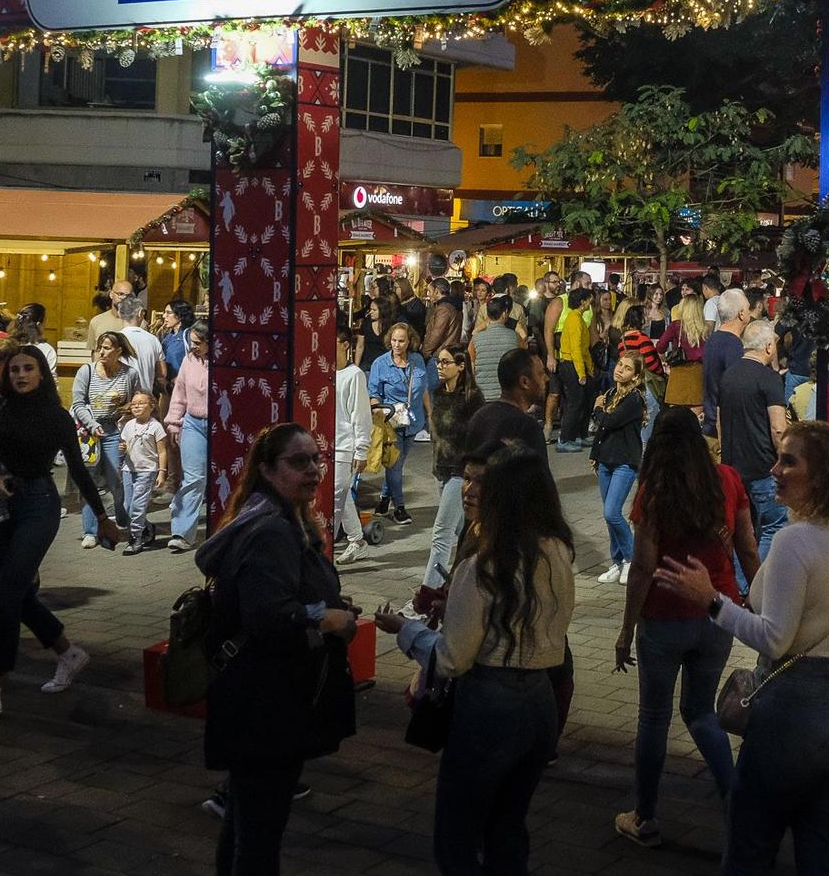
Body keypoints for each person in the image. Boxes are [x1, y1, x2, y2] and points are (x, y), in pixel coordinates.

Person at [653, 421, 829, 875]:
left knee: (750, 846)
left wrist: (710, 600)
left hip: (798, 708)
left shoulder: (797, 541)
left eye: (789, 461)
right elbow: (761, 596)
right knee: (823, 846)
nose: (774, 469)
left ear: (819, 476)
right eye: (778, 457)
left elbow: (775, 637)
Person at [377, 451, 576, 875]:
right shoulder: (557, 552)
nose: (471, 491)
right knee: (508, 828)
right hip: (541, 700)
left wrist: (406, 632)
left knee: (458, 835)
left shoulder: (483, 566)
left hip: (489, 704)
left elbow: (452, 658)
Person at [197, 423, 357, 875]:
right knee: (260, 835)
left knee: (247, 824)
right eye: (298, 462)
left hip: (260, 698)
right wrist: (329, 619)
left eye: (315, 459)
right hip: (264, 702)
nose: (313, 470)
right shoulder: (271, 529)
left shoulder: (278, 516)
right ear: (267, 469)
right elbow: (270, 618)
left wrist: (326, 604)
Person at [612, 406, 759, 848]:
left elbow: (641, 567)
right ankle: (736, 801)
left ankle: (646, 817)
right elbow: (748, 549)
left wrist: (626, 630)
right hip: (718, 613)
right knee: (700, 711)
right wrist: (760, 600)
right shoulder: (728, 480)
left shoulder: (655, 492)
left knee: (654, 717)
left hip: (664, 616)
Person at [0, 346, 119, 728]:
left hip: (40, 505)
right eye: (14, 370)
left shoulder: (57, 417)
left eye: (28, 368)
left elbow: (78, 469)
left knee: (6, 600)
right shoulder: (0, 409)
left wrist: (104, 518)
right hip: (3, 503)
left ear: (42, 373)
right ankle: (67, 652)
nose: (21, 375)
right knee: (19, 593)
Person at [720, 318, 790, 556]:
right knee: (774, 526)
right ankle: (758, 584)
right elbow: (778, 428)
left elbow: (720, 422)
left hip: (733, 468)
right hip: (763, 468)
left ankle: (740, 586)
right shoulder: (769, 378)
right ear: (769, 347)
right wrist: (784, 461)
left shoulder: (728, 376)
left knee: (742, 532)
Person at [423, 344, 484, 587]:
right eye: (439, 362)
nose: (440, 366)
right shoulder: (438, 394)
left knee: (441, 534)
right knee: (463, 534)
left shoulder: (472, 398)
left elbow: (479, 436)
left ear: (461, 366)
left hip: (460, 473)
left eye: (446, 362)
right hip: (441, 471)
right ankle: (466, 584)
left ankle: (427, 594)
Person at [70, 331, 137, 550]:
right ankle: (90, 531)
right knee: (90, 480)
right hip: (89, 432)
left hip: (114, 430)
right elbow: (78, 403)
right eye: (100, 346)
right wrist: (91, 424)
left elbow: (136, 402)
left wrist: (126, 412)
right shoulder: (86, 371)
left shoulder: (129, 374)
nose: (101, 351)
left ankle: (121, 519)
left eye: (107, 347)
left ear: (119, 351)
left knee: (115, 479)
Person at [590, 351, 648, 584]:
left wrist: (597, 409)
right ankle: (618, 561)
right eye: (619, 365)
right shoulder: (611, 393)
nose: (619, 370)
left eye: (626, 368)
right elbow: (601, 431)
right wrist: (595, 455)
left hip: (624, 461)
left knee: (612, 512)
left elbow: (608, 421)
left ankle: (632, 559)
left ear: (636, 376)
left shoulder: (634, 399)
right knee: (608, 516)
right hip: (606, 460)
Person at [368, 322, 428, 525]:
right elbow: (373, 393)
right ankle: (399, 507)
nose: (397, 344)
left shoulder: (418, 360)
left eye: (401, 341)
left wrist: (431, 416)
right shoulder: (380, 364)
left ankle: (384, 499)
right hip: (391, 423)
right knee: (394, 465)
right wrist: (378, 410)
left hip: (413, 421)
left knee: (398, 463)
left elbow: (425, 390)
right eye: (394, 340)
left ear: (409, 341)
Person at [166, 321, 212, 552]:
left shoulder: (222, 362)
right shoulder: (188, 360)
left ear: (208, 342)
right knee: (193, 478)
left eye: (197, 343)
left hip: (219, 426)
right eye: (192, 342)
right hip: (193, 423)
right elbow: (179, 393)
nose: (192, 346)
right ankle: (182, 532)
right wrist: (174, 422)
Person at [333, 330, 374, 563]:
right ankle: (357, 540)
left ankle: (324, 547)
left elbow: (361, 415)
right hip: (326, 444)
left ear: (345, 344)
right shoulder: (324, 372)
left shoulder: (354, 375)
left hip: (345, 446)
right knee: (342, 495)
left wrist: (361, 449)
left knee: (335, 498)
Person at [467, 347, 550, 458]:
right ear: (524, 382)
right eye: (540, 374)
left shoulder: (479, 417)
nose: (546, 378)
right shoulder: (527, 428)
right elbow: (538, 474)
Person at [119, 391, 169, 554]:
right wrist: (122, 448)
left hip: (147, 471)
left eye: (141, 403)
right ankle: (148, 528)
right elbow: (125, 445)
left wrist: (161, 472)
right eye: (134, 403)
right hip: (129, 470)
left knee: (137, 506)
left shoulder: (156, 427)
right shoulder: (128, 425)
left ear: (152, 406)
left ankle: (135, 538)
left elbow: (162, 451)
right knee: (127, 506)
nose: (136, 406)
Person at [550, 284, 597, 451]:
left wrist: (588, 368)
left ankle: (579, 434)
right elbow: (576, 349)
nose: (590, 304)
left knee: (585, 400)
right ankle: (565, 439)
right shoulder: (574, 320)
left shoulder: (576, 318)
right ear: (583, 302)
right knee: (575, 402)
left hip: (576, 364)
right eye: (589, 301)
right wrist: (581, 373)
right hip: (571, 364)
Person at [702, 288, 750, 438]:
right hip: (724, 426)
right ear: (741, 314)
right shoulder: (733, 346)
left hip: (712, 420)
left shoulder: (713, 340)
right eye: (748, 309)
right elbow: (736, 389)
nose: (750, 313)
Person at [660, 290, 712, 412]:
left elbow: (660, 346)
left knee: (676, 421)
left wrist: (665, 361)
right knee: (695, 422)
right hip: (698, 376)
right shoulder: (705, 328)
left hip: (678, 374)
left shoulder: (676, 326)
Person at [468, 295, 520, 402]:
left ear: (487, 314)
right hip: (507, 395)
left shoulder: (476, 339)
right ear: (505, 313)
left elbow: (471, 366)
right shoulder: (513, 337)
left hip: (483, 394)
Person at [112, 296, 163, 394]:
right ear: (140, 313)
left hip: (119, 397)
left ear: (119, 313)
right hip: (144, 400)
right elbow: (162, 372)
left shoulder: (115, 340)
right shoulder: (153, 340)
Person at [160, 300, 196, 376]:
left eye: (168, 313)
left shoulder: (189, 337)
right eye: (164, 312)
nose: (164, 316)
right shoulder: (169, 336)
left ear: (180, 316)